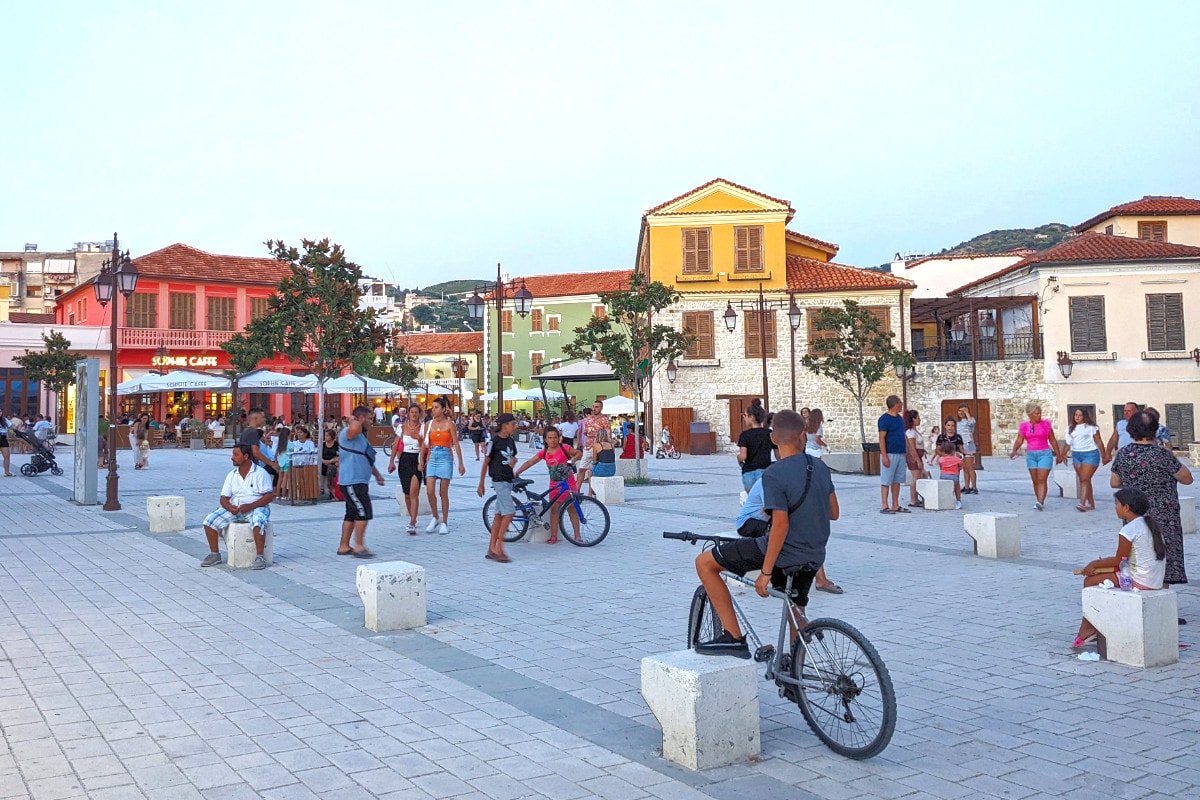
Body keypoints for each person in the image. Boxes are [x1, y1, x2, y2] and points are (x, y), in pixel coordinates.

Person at [693, 410, 839, 657]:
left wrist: (765, 573)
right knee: (796, 609)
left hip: (782, 553)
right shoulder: (820, 467)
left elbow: (780, 526)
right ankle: (796, 672)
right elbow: (833, 512)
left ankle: (734, 637)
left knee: (705, 563)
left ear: (773, 439)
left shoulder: (774, 473)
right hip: (814, 554)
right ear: (804, 436)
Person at [1111, 408, 1194, 594]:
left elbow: (1114, 482)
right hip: (1164, 516)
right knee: (1163, 556)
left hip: (1135, 515)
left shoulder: (1124, 454)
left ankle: (1141, 597)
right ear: (1154, 430)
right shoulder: (1162, 455)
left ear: (1131, 430)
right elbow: (1188, 479)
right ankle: (1161, 603)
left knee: (1138, 556)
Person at [1073, 487, 1166, 647]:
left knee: (1089, 582)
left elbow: (1118, 560)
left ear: (1126, 507)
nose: (1115, 507)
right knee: (1097, 577)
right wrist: (1104, 566)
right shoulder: (1149, 524)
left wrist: (1095, 564)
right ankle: (1091, 628)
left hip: (1140, 580)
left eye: (1116, 504)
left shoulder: (1129, 529)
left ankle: (1087, 629)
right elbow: (1127, 560)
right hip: (1153, 578)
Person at [736, 474, 843, 594]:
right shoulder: (768, 482)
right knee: (783, 533)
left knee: (808, 532)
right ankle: (776, 577)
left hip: (767, 521)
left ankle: (820, 579)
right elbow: (768, 512)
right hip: (748, 522)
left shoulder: (787, 482)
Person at [200, 444, 274, 570]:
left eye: (236, 455)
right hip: (236, 509)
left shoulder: (260, 473)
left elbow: (269, 496)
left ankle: (260, 557)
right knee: (209, 521)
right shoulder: (232, 475)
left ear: (245, 456)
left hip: (257, 506)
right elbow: (223, 498)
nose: (232, 458)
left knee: (258, 521)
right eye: (232, 454)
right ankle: (215, 554)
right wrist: (230, 508)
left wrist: (251, 506)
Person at [515, 425, 582, 544]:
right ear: (545, 440)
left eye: (555, 437)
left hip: (569, 483)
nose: (553, 440)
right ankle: (553, 535)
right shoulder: (544, 452)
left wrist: (572, 460)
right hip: (554, 486)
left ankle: (577, 536)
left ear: (559, 438)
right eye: (550, 438)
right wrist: (517, 472)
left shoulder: (565, 447)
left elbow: (578, 454)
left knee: (572, 509)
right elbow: (530, 462)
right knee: (554, 510)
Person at [337, 405, 386, 558]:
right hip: (352, 481)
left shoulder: (361, 438)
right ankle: (359, 546)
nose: (371, 421)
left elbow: (366, 458)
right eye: (369, 418)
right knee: (363, 511)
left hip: (358, 481)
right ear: (362, 418)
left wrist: (377, 474)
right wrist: (354, 419)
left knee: (351, 514)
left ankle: (344, 546)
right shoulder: (348, 433)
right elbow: (355, 427)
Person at [478, 413, 518, 563]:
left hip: (507, 479)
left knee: (499, 515)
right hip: (499, 479)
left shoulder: (510, 441)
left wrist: (513, 464)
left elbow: (511, 459)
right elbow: (486, 462)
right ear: (504, 425)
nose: (514, 426)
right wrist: (481, 483)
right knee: (509, 513)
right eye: (512, 424)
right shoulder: (494, 442)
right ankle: (499, 547)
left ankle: (491, 548)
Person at [422, 397, 465, 534]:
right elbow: (425, 442)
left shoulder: (449, 424)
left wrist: (461, 463)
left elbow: (456, 443)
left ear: (443, 409)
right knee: (429, 490)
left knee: (443, 492)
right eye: (432, 407)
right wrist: (421, 459)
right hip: (432, 455)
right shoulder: (428, 424)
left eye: (436, 407)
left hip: (445, 456)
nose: (433, 410)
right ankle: (435, 517)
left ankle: (444, 521)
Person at [1009, 402, 1063, 511]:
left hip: (1045, 453)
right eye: (1037, 413)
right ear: (1030, 415)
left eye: (1040, 413)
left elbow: (1052, 440)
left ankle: (1041, 501)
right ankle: (1038, 499)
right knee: (1035, 480)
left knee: (1042, 479)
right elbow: (1020, 439)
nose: (1039, 415)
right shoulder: (1025, 427)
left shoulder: (1046, 425)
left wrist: (1058, 454)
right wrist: (1014, 450)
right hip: (1031, 454)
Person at [388, 403, 426, 534]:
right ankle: (412, 516)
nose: (414, 414)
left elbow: (426, 446)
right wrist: (391, 461)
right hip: (404, 459)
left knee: (414, 492)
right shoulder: (402, 428)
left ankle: (413, 522)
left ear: (419, 414)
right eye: (412, 412)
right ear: (408, 414)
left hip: (417, 459)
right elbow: (395, 445)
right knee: (407, 494)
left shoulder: (422, 428)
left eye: (416, 412)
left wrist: (419, 439)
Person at [1065, 408, 1108, 512]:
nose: (1077, 417)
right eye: (1076, 415)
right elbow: (1068, 443)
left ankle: (1082, 503)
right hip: (1076, 455)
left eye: (1080, 415)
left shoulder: (1091, 428)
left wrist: (1104, 455)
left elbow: (1099, 441)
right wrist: (1062, 455)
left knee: (1084, 479)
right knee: (1085, 479)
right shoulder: (1070, 428)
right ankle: (1091, 503)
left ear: (1084, 416)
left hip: (1090, 454)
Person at [878, 395, 908, 514]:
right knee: (886, 480)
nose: (901, 406)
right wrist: (884, 456)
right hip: (890, 453)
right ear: (896, 405)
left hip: (901, 453)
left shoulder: (900, 419)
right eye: (900, 403)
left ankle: (895, 504)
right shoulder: (884, 420)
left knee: (897, 480)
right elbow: (882, 438)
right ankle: (884, 505)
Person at [737, 399, 773, 492]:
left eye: (745, 415)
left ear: (751, 417)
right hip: (765, 471)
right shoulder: (769, 433)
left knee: (753, 500)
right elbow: (778, 455)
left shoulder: (745, 435)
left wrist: (739, 459)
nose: (744, 418)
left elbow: (743, 456)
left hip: (749, 472)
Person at [578, 399, 610, 487]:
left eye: (597, 407)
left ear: (601, 408)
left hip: (599, 448)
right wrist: (587, 432)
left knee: (594, 471)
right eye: (593, 406)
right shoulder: (588, 419)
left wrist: (592, 433)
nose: (594, 408)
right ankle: (576, 492)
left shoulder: (605, 420)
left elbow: (607, 434)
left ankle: (591, 492)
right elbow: (585, 432)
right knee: (581, 469)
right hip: (588, 447)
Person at [903, 410, 926, 507]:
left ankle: (916, 498)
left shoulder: (914, 431)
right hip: (914, 457)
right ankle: (913, 499)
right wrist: (917, 460)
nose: (919, 419)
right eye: (918, 417)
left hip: (918, 455)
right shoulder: (911, 433)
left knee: (919, 476)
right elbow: (912, 448)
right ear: (913, 419)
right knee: (916, 477)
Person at [956, 404, 979, 494]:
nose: (961, 413)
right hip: (961, 446)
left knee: (970, 468)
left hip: (968, 445)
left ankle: (974, 487)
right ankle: (966, 487)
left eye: (963, 411)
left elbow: (971, 423)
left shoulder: (970, 420)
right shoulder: (958, 423)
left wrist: (967, 413)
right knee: (965, 468)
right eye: (960, 411)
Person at [935, 441, 964, 510]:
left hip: (943, 475)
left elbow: (941, 467)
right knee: (956, 487)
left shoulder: (941, 459)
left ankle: (945, 501)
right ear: (953, 451)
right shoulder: (957, 459)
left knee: (945, 489)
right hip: (954, 475)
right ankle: (958, 501)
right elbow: (961, 466)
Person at [320, 428, 340, 498]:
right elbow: (319, 454)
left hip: (332, 464)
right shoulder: (322, 444)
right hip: (323, 463)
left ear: (332, 436)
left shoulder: (336, 445)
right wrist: (323, 460)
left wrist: (330, 461)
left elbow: (338, 456)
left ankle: (331, 490)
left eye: (327, 436)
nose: (326, 437)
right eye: (325, 435)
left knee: (331, 469)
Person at [275, 427, 292, 499]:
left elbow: (276, 454)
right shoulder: (291, 444)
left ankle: (278, 494)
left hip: (280, 461)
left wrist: (276, 462)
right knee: (285, 479)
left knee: (280, 478)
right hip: (288, 461)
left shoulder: (279, 444)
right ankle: (284, 495)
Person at [0, 412, 11, 477]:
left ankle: (7, 472)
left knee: (6, 456)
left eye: (0, 411)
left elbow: (11, 426)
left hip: (3, 438)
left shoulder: (4, 420)